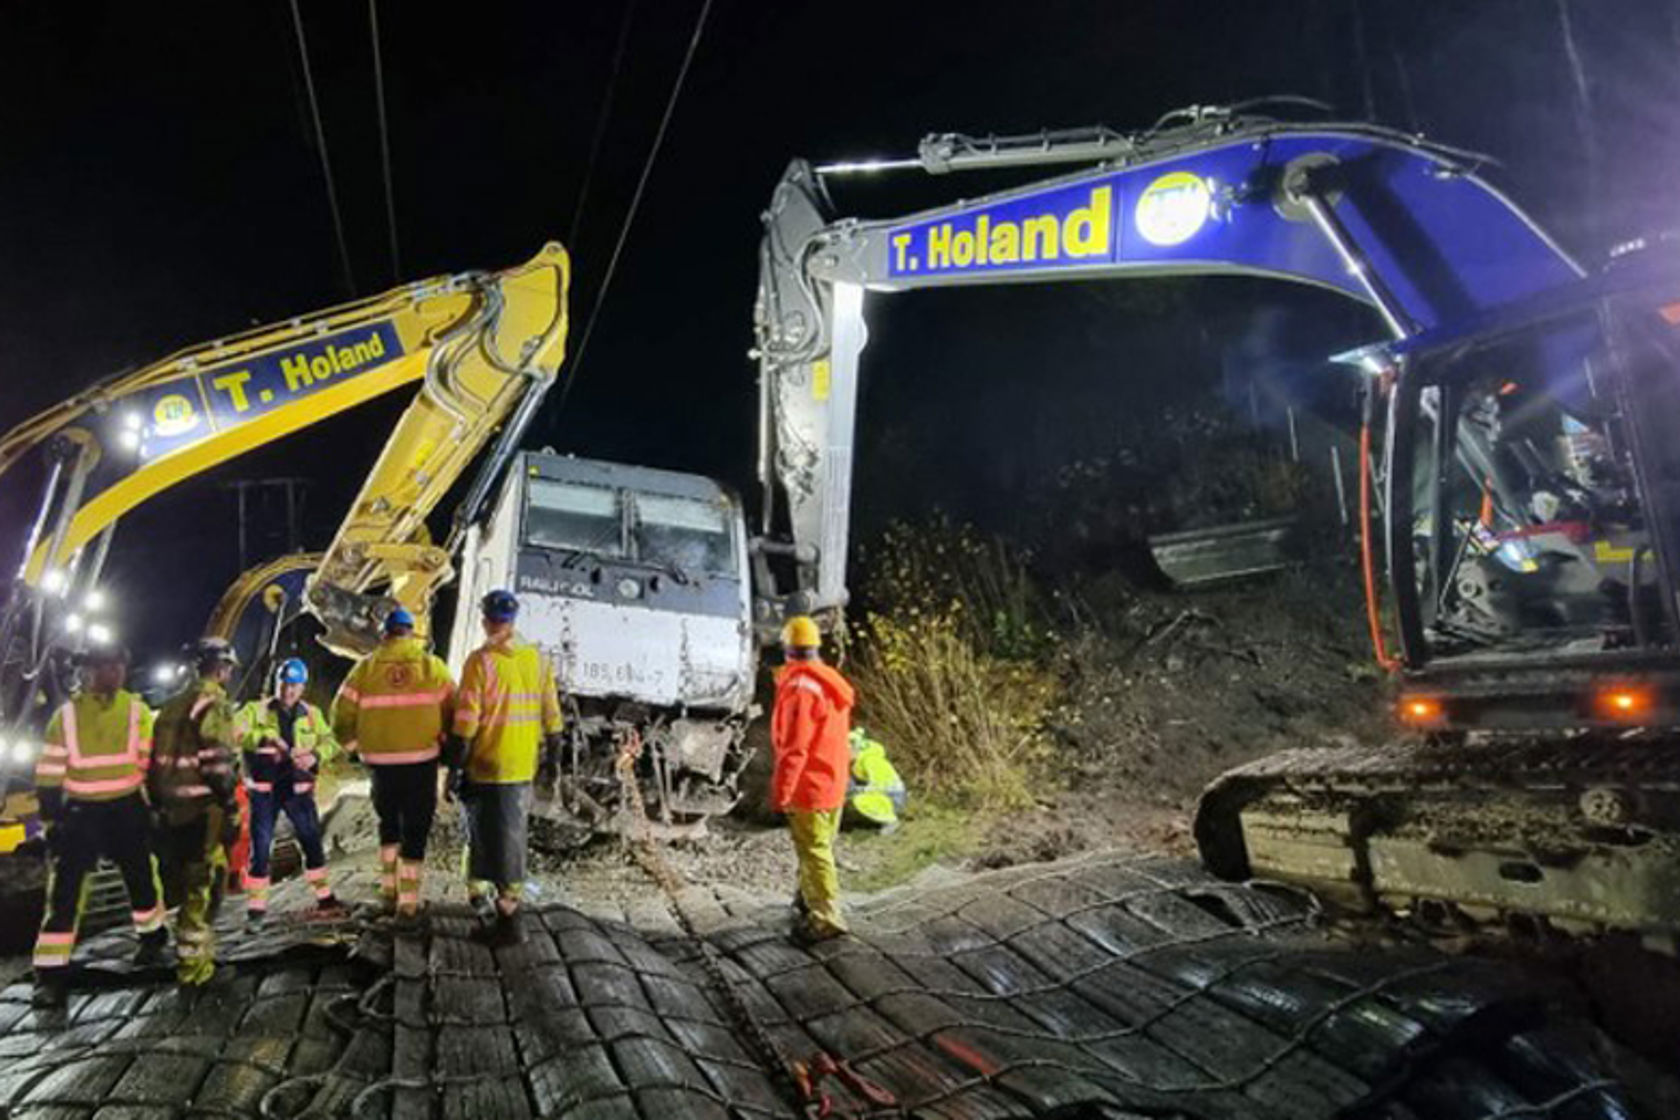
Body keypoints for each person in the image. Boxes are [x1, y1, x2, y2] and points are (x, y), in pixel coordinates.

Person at [30, 645, 167, 1008]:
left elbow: (149, 765)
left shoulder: (138, 712)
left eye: (117, 665)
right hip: (81, 815)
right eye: (102, 666)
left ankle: (153, 939)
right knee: (65, 894)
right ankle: (50, 974)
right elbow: (48, 773)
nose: (111, 672)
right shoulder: (66, 718)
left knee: (141, 878)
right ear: (85, 672)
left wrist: (156, 808)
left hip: (126, 809)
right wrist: (51, 819)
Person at [444, 589, 563, 947]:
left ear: (485, 620)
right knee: (508, 837)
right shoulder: (538, 659)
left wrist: (453, 768)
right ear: (512, 621)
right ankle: (489, 903)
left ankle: (510, 921)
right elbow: (552, 715)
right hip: (521, 767)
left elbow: (465, 724)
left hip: (487, 764)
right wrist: (553, 761)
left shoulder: (481, 662)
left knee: (486, 837)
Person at [331, 607, 453, 924]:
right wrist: (447, 747)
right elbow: (454, 711)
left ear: (384, 633)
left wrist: (355, 749)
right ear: (410, 633)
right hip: (421, 763)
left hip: (380, 766)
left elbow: (340, 718)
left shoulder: (364, 669)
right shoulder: (432, 667)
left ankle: (388, 892)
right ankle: (408, 905)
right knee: (415, 830)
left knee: (388, 825)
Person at [149, 637, 242, 989]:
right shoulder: (213, 703)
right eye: (229, 667)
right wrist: (230, 803)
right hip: (203, 810)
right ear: (220, 668)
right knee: (202, 888)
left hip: (172, 810)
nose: (230, 674)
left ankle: (193, 959)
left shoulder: (170, 706)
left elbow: (153, 764)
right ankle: (195, 971)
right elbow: (218, 762)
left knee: (186, 884)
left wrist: (159, 804)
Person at [235, 657, 341, 925]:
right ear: (276, 683)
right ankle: (256, 909)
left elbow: (331, 742)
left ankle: (325, 898)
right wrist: (261, 738)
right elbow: (233, 730)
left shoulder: (311, 714)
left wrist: (315, 756)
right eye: (284, 684)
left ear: (302, 687)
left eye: (294, 685)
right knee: (260, 850)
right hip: (265, 791)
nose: (288, 690)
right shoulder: (255, 710)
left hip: (298, 791)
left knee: (311, 843)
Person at [769, 615, 855, 945]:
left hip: (810, 786)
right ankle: (806, 899)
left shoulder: (799, 689)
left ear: (787, 649)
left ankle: (826, 917)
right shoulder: (829, 680)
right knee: (819, 846)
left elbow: (795, 749)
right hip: (832, 779)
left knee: (815, 849)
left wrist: (781, 793)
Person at [845, 726, 907, 833]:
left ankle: (890, 820)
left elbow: (882, 785)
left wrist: (857, 791)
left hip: (891, 796)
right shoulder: (856, 763)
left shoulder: (871, 760)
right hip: (880, 792)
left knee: (860, 800)